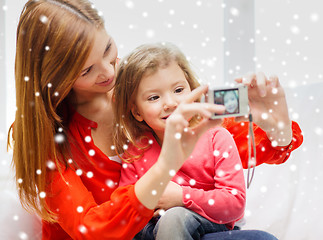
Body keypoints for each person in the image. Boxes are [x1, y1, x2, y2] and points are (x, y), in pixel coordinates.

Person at [7, 0, 303, 239]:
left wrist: (276, 126)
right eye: (87, 70)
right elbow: (93, 231)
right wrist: (166, 168)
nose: (109, 73)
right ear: (55, 78)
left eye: (108, 49)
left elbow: (216, 147)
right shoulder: (47, 139)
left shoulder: (141, 88)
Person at [114, 43, 246, 239]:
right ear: (136, 112)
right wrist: (150, 207)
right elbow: (125, 209)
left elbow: (234, 204)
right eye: (154, 97)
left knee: (175, 218)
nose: (170, 103)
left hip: (209, 224)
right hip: (153, 229)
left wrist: (182, 197)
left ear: (192, 90)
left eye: (178, 90)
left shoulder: (216, 137)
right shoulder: (136, 150)